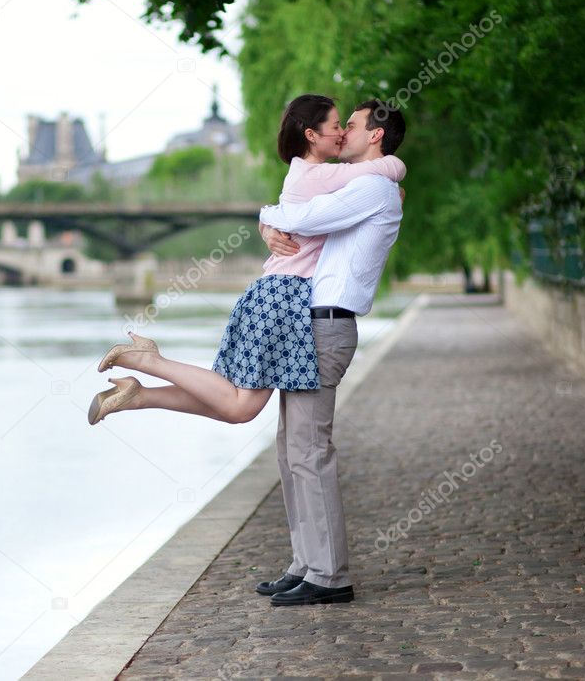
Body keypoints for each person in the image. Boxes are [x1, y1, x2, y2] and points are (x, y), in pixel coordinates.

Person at [86, 94, 405, 432]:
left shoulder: (315, 175)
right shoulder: (323, 176)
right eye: (337, 126)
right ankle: (149, 361)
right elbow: (383, 168)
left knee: (233, 403)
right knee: (240, 405)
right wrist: (394, 179)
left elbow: (349, 195)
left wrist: (266, 223)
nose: (341, 133)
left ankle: (140, 395)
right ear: (311, 134)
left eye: (347, 126)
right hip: (285, 295)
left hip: (275, 293)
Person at [253, 99, 407, 606]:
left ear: (377, 135)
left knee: (310, 450)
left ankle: (329, 575)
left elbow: (306, 216)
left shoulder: (374, 187)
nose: (344, 134)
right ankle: (306, 563)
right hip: (312, 323)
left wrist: (266, 217)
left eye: (354, 125)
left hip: (327, 327)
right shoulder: (363, 181)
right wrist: (271, 226)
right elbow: (303, 214)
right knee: (291, 447)